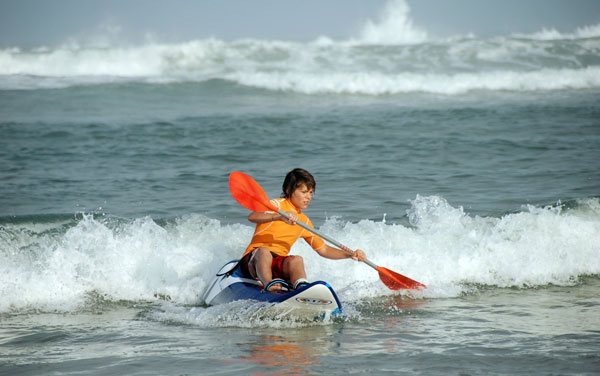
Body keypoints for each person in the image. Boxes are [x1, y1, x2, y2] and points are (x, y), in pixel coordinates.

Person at [239, 168, 367, 292]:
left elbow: (324, 250)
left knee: (297, 260)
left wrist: (349, 254)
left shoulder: (304, 222)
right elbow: (252, 216)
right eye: (304, 192)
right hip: (254, 260)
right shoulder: (276, 205)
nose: (308, 197)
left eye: (311, 192)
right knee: (264, 251)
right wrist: (279, 216)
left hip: (277, 263)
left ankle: (301, 289)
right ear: (289, 190)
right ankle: (268, 285)